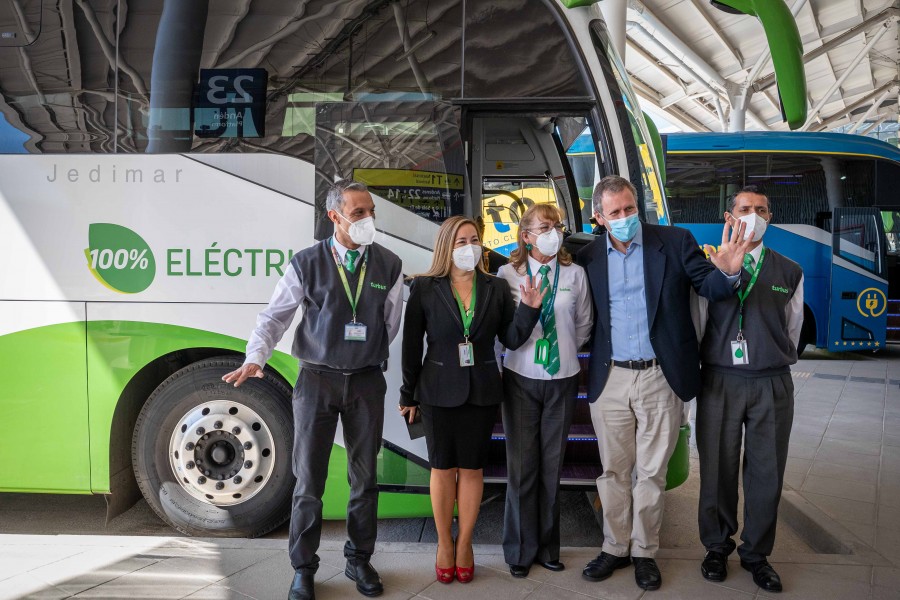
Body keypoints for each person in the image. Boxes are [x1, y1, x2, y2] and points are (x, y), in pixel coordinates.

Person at [222, 179, 404, 600]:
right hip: (317, 381)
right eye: (358, 213)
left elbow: (390, 324)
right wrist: (256, 357)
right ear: (334, 217)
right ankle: (303, 568)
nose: (368, 220)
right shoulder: (306, 263)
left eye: (371, 211)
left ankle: (359, 560)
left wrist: (364, 354)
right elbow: (275, 316)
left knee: (365, 479)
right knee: (309, 481)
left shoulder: (389, 264)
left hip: (365, 383)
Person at [577, 175, 751, 591]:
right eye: (615, 213)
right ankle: (614, 546)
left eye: (630, 209)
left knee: (651, 474)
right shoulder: (587, 259)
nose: (625, 218)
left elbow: (710, 286)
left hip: (661, 374)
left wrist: (727, 270)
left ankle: (643, 552)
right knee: (613, 472)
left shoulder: (673, 241)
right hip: (612, 376)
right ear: (599, 217)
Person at [398, 215, 544, 584]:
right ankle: (444, 544)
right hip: (436, 391)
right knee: (443, 469)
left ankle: (465, 543)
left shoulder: (494, 287)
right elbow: (412, 346)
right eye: (461, 241)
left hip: (480, 390)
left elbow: (511, 339)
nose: (469, 247)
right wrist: (408, 394)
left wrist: (529, 308)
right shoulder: (425, 288)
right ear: (447, 246)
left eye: (474, 240)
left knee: (473, 469)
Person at [695, 186, 803, 593]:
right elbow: (699, 323)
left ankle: (757, 554)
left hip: (771, 382)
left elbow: (792, 329)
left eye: (761, 209)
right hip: (720, 380)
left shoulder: (789, 270)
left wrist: (768, 356)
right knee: (717, 469)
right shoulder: (708, 265)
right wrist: (726, 271)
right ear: (729, 217)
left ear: (769, 218)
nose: (753, 215)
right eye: (744, 209)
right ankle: (716, 548)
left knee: (766, 472)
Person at [496, 204, 593, 578]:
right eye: (544, 227)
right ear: (526, 236)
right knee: (522, 468)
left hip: (563, 378)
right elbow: (506, 333)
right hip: (520, 378)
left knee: (551, 467)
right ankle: (519, 551)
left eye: (557, 226)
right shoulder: (507, 275)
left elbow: (584, 324)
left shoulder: (575, 273)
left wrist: (561, 349)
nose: (553, 233)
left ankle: (548, 548)